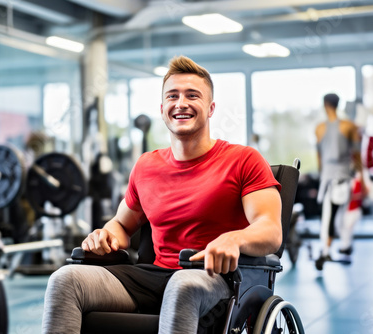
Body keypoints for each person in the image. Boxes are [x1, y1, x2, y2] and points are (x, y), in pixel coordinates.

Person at [42, 56, 282, 334]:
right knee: (65, 279)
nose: (181, 103)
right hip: (152, 277)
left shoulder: (243, 159)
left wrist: (235, 238)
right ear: (162, 108)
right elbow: (122, 225)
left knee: (183, 285)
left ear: (211, 108)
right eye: (173, 96)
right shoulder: (146, 165)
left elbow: (271, 230)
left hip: (215, 276)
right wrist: (105, 235)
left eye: (193, 95)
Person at [314, 93, 363, 270]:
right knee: (339, 215)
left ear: (325, 105)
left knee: (331, 216)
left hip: (329, 177)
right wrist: (362, 177)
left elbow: (319, 158)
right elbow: (357, 156)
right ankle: (337, 247)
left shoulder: (319, 129)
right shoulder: (349, 126)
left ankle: (329, 249)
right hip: (343, 176)